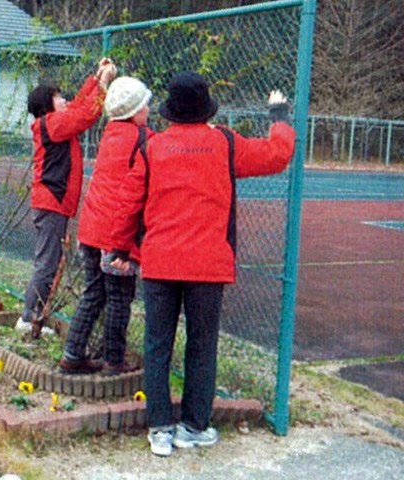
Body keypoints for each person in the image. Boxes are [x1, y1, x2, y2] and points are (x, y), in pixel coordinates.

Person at [109, 71, 295, 456]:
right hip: (207, 264)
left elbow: (129, 203)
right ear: (206, 107)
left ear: (171, 111)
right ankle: (193, 426)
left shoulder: (153, 148)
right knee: (202, 345)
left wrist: (120, 247)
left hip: (160, 262)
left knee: (157, 346)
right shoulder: (224, 143)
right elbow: (277, 156)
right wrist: (280, 117)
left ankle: (160, 428)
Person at [59, 76, 154, 375]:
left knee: (94, 292)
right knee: (119, 297)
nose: (149, 110)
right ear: (135, 111)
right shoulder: (143, 140)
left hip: (91, 228)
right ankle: (114, 360)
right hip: (116, 235)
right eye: (145, 106)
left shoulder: (110, 133)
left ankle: (73, 352)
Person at [17, 59, 117, 337]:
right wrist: (104, 84)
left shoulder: (53, 122)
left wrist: (96, 79)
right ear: (47, 106)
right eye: (58, 97)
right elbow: (85, 115)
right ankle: (28, 318)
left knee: (50, 260)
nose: (64, 100)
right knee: (47, 262)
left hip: (53, 203)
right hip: (51, 203)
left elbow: (78, 107)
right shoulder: (51, 124)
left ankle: (34, 315)